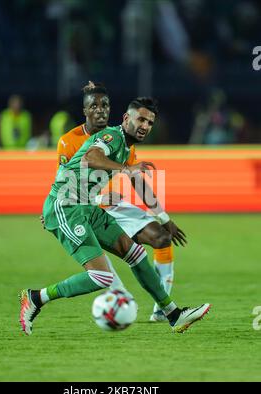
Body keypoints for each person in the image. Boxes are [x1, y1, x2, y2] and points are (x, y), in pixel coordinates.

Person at [19, 97, 211, 335]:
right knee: (101, 276)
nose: (145, 126)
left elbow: (136, 183)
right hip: (67, 206)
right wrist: (127, 169)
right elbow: (91, 158)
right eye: (140, 119)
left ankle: (173, 315)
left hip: (88, 208)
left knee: (136, 254)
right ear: (126, 119)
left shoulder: (127, 147)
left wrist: (164, 219)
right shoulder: (112, 136)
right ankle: (37, 297)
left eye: (150, 122)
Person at [55, 82, 185, 322]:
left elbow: (135, 177)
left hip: (113, 203)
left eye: (105, 105)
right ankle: (121, 299)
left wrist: (163, 217)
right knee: (106, 263)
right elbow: (66, 179)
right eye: (94, 106)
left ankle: (163, 308)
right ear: (85, 111)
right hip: (87, 205)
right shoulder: (69, 140)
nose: (101, 110)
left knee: (161, 238)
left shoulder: (122, 138)